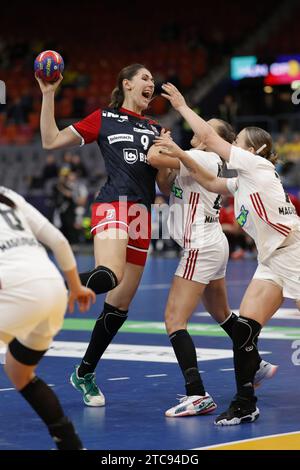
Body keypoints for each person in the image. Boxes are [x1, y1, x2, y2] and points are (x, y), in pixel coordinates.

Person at [154, 82, 300, 425]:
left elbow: (212, 139)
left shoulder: (258, 167)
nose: (232, 147)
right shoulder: (242, 181)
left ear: (254, 150)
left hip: (294, 252)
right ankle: (246, 402)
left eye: (237, 143)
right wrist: (180, 153)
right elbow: (211, 182)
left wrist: (182, 106)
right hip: (271, 261)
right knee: (245, 329)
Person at [36, 63, 170, 407]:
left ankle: (84, 373)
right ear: (126, 84)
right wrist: (49, 94)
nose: (150, 83)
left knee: (119, 305)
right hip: (114, 204)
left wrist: (172, 160)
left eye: (152, 80)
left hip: (142, 214)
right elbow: (50, 140)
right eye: (144, 78)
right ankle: (41, 290)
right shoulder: (104, 118)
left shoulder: (157, 129)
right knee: (109, 275)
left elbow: (165, 185)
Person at [148, 121, 276, 418]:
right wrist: (169, 155)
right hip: (211, 241)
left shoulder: (205, 157)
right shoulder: (197, 159)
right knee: (222, 313)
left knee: (173, 319)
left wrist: (161, 143)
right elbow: (166, 184)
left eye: (208, 128)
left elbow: (154, 159)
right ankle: (254, 364)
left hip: (199, 243)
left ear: (214, 140)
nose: (200, 128)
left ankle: (197, 394)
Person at [0, 186, 96, 449]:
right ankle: (70, 444)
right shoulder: (9, 195)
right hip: (54, 289)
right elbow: (59, 241)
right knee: (19, 372)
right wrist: (75, 287)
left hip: (16, 288)